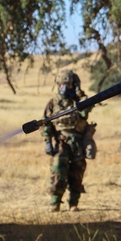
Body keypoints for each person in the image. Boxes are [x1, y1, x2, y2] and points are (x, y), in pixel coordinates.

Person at [41, 70, 95, 212]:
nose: (65, 87)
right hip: (61, 142)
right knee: (58, 173)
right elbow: (45, 123)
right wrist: (48, 142)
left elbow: (86, 110)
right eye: (62, 84)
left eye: (69, 84)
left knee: (77, 173)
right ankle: (55, 202)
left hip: (77, 142)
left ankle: (73, 203)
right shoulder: (53, 103)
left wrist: (79, 93)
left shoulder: (78, 101)